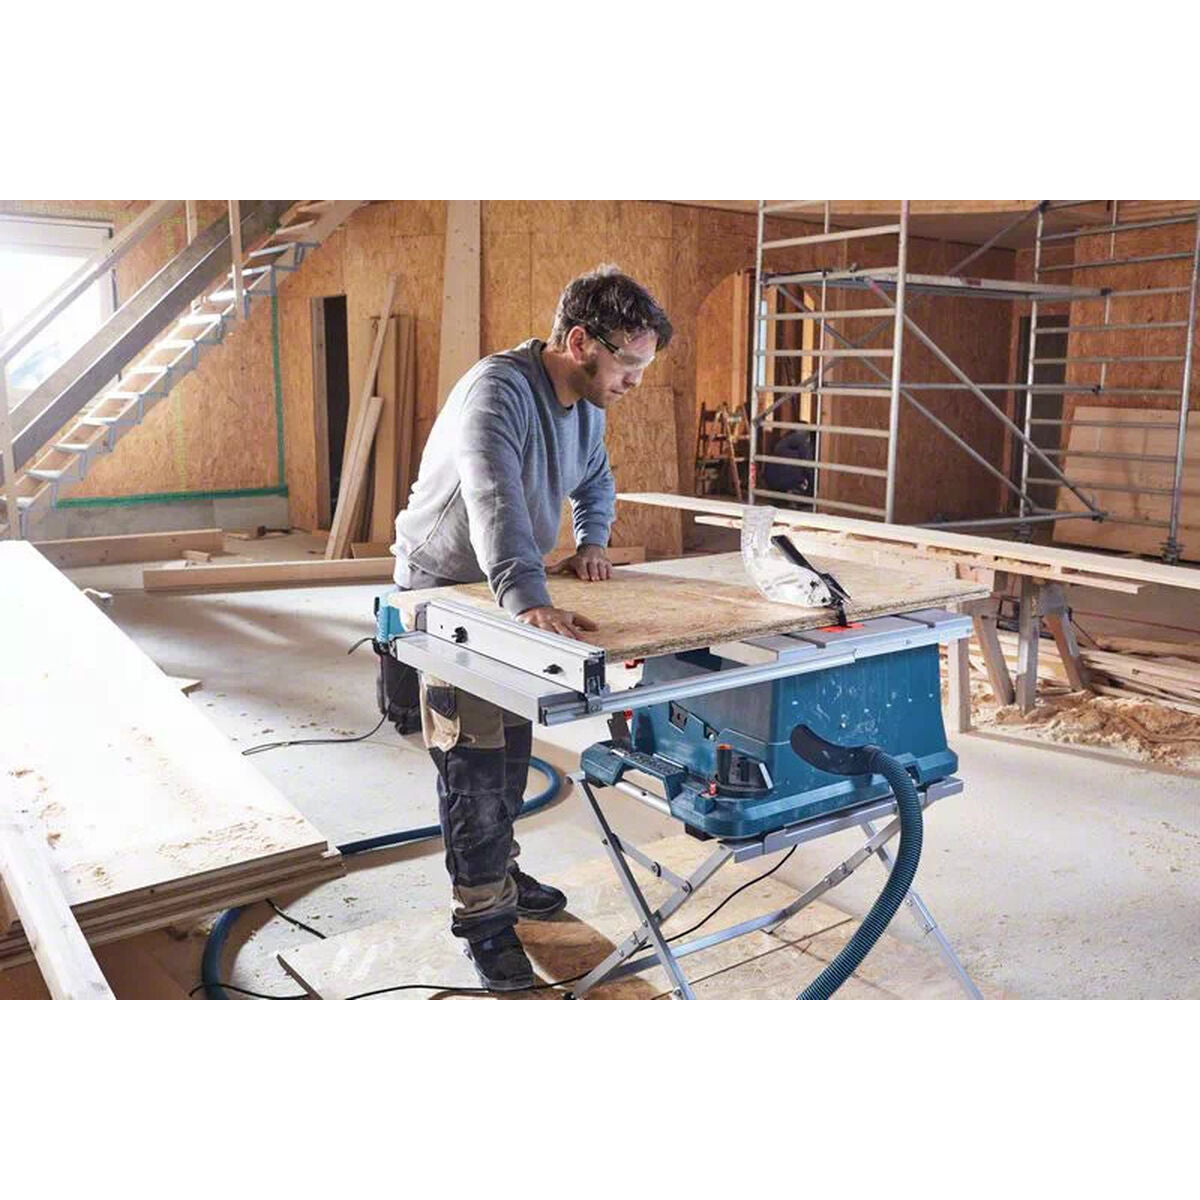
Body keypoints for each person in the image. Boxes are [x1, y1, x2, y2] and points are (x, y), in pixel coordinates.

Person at [390, 265, 673, 990]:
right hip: (445, 590)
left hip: (502, 585)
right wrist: (526, 597)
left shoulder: (588, 405)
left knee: (513, 749)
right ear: (580, 342)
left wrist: (593, 541)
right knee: (474, 762)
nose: (635, 382)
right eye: (628, 364)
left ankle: (501, 872)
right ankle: (484, 921)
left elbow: (596, 478)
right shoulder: (498, 391)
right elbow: (493, 495)